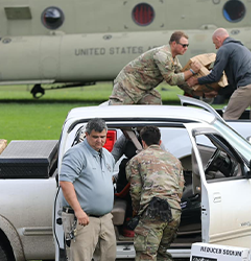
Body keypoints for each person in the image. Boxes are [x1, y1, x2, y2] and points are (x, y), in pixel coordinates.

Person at [59, 118, 116, 261]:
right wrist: (79, 212)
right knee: (80, 258)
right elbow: (65, 183)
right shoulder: (76, 154)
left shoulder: (108, 156)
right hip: (83, 219)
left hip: (105, 218)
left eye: (102, 137)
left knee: (109, 256)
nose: (99, 140)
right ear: (87, 135)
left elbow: (108, 178)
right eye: (95, 137)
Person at [127, 126, 184, 261]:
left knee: (146, 255)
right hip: (174, 213)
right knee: (161, 253)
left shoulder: (136, 160)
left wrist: (136, 212)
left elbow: (135, 191)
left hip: (153, 212)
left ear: (143, 143)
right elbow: (180, 189)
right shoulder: (175, 160)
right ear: (160, 142)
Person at [187, 28, 251, 120]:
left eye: (215, 43)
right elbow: (233, 84)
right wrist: (218, 92)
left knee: (229, 117)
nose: (216, 47)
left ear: (218, 39)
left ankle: (226, 135)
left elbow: (215, 76)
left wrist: (196, 80)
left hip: (250, 85)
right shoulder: (241, 48)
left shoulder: (224, 49)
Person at [109, 31, 197, 105]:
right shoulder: (162, 55)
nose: (186, 48)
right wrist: (192, 71)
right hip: (127, 86)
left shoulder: (174, 59)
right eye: (184, 45)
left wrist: (197, 92)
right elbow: (172, 79)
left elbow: (180, 79)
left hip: (143, 89)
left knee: (155, 103)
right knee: (117, 115)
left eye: (187, 46)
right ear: (174, 44)